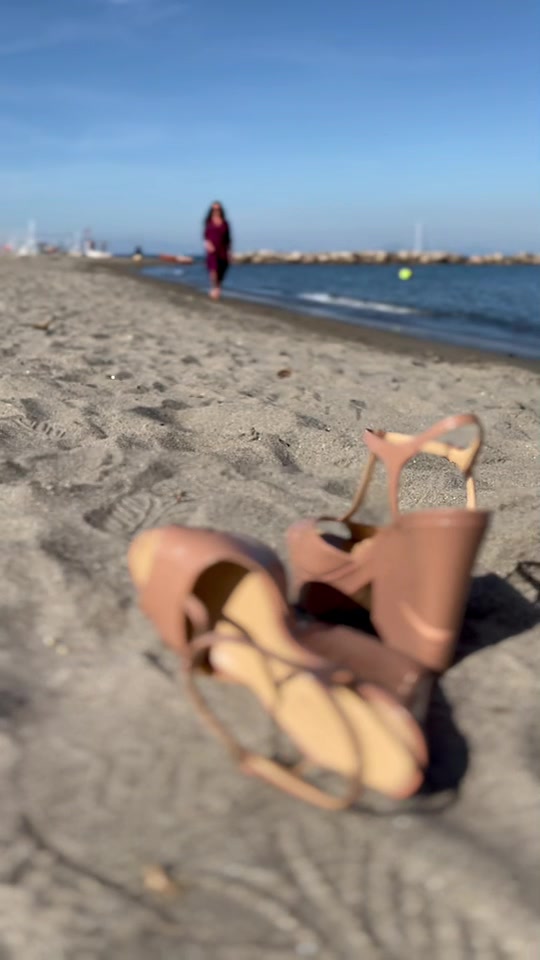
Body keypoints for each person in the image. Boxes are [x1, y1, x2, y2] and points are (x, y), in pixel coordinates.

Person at [203, 202, 232, 300]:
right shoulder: (208, 222)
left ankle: (217, 288)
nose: (216, 211)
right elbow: (205, 236)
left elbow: (228, 239)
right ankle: (214, 288)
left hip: (223, 250)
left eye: (218, 209)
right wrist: (207, 244)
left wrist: (229, 252)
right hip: (212, 252)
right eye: (214, 209)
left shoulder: (225, 223)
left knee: (221, 271)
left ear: (221, 210)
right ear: (211, 210)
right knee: (213, 270)